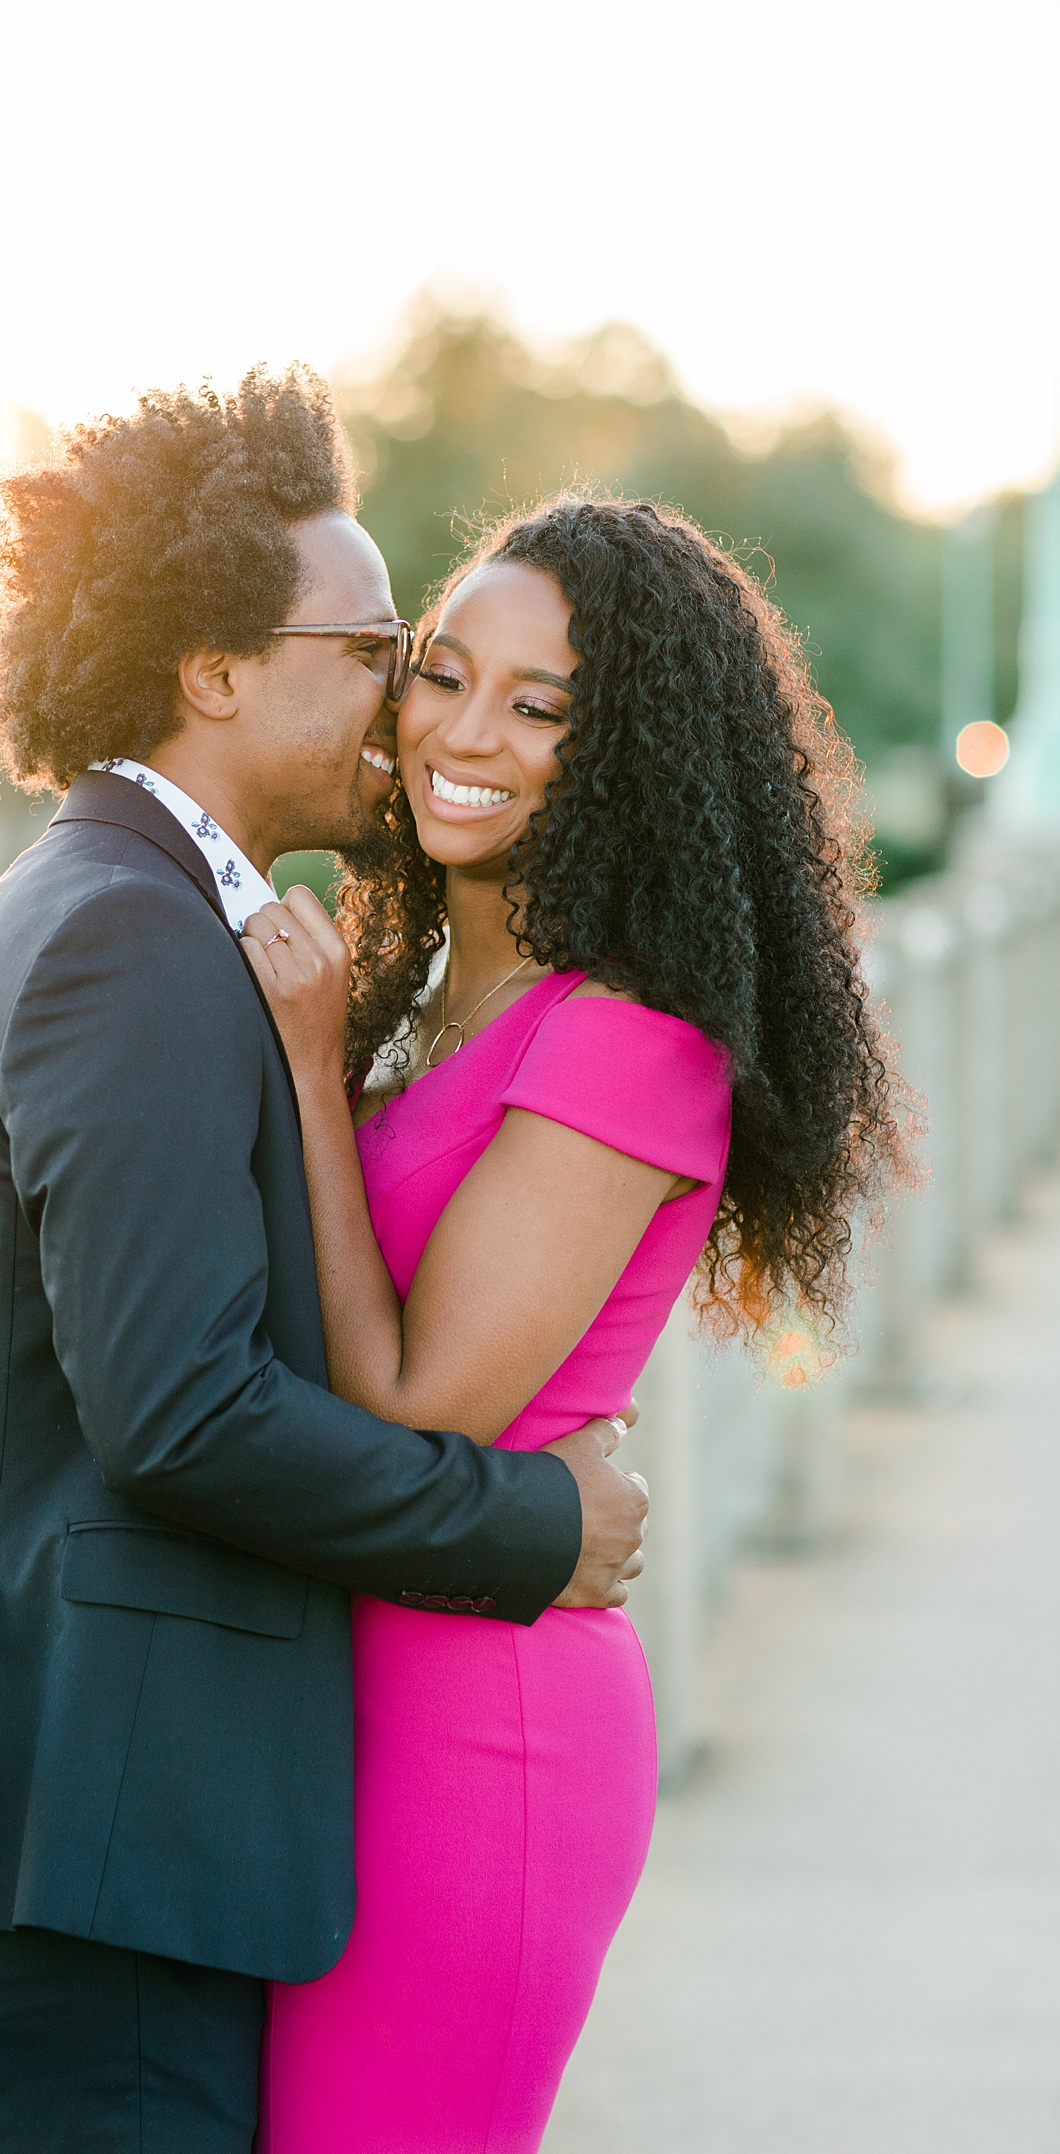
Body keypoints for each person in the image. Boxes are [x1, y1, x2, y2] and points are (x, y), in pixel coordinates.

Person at [0, 372, 649, 2154]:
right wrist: (530, 1528)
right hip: (78, 1851)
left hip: (52, 1826)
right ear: (214, 671)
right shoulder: (130, 939)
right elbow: (179, 1411)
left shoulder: (126, 910)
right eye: (375, 645)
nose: (402, 702)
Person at [242, 495, 908, 2153]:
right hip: (341, 1691)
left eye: (540, 708)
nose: (467, 733)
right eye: (443, 676)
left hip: (484, 1730)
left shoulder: (624, 1043)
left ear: (633, 758)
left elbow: (418, 1402)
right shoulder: (433, 1000)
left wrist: (311, 1075)